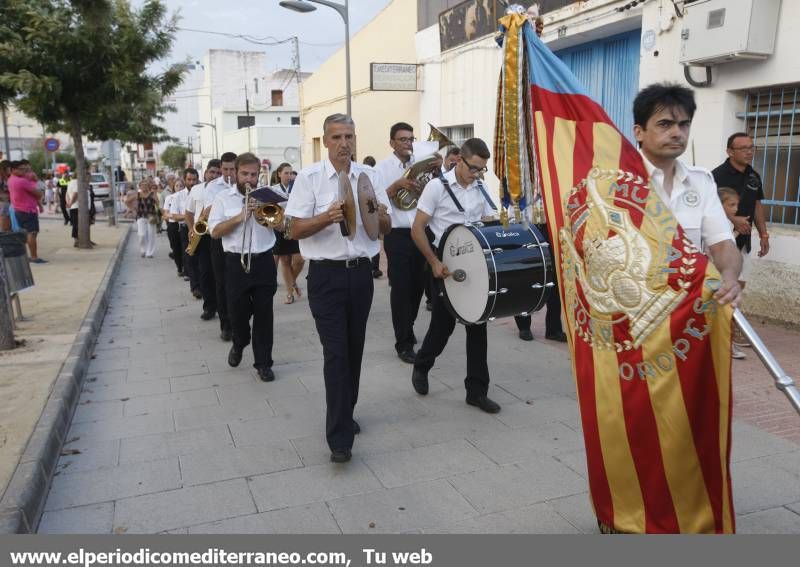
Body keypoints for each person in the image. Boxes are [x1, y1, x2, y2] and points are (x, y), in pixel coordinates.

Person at [285, 113, 392, 463]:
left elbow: (385, 227)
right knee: (336, 353)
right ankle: (339, 438)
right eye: (337, 137)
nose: (344, 143)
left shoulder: (370, 176)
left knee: (354, 348)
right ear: (326, 141)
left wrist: (377, 213)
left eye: (349, 136)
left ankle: (347, 409)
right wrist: (326, 217)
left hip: (361, 273)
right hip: (326, 276)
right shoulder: (310, 178)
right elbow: (293, 230)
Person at [410, 138, 501, 414]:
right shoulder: (436, 187)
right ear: (459, 160)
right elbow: (417, 228)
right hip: (446, 265)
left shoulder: (481, 188)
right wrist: (434, 262)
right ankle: (422, 365)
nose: (477, 174)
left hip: (475, 265)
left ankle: (476, 391)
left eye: (481, 170)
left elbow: (489, 221)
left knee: (478, 325)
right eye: (473, 168)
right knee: (442, 327)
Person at [633, 84, 742, 308]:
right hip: (631, 312)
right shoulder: (617, 180)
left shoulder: (701, 182)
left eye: (684, 125)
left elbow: (722, 244)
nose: (677, 133)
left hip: (686, 312)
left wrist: (730, 277)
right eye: (665, 124)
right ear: (639, 131)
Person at [208, 153, 279, 382]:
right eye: (245, 174)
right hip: (235, 263)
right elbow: (215, 231)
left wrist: (265, 212)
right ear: (236, 173)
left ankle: (263, 363)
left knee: (264, 314)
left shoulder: (268, 196)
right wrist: (241, 216)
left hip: (264, 261)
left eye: (254, 174)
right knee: (237, 314)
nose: (250, 179)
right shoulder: (222, 198)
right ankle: (239, 343)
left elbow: (280, 225)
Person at [375, 122, 429, 364]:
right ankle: (403, 342)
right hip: (397, 235)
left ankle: (408, 327)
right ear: (392, 143)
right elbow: (373, 200)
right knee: (401, 289)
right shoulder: (381, 168)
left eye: (411, 139)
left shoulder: (422, 165)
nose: (408, 143)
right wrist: (396, 185)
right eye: (403, 139)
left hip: (421, 232)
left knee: (418, 286)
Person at [711, 132, 769, 351]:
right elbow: (709, 207)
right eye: (743, 148)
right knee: (722, 287)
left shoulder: (754, 176)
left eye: (751, 147)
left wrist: (763, 234)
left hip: (743, 240)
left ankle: (730, 334)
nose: (749, 151)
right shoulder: (716, 175)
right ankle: (723, 337)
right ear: (730, 152)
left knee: (739, 286)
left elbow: (756, 205)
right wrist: (732, 218)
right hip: (720, 242)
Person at [189, 157, 230, 340]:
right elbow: (190, 213)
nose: (215, 175)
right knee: (206, 273)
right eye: (212, 172)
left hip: (223, 232)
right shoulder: (200, 189)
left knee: (223, 278)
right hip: (204, 233)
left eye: (218, 173)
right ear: (205, 172)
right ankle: (209, 306)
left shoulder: (231, 185)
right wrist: (192, 229)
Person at [715, 186, 747, 360]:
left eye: (737, 205)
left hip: (727, 274)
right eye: (731, 205)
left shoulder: (728, 223)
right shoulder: (712, 224)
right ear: (719, 205)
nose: (736, 209)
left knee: (729, 311)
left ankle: (729, 344)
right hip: (715, 274)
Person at [271, 162, 305, 304]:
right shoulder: (273, 189)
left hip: (294, 225)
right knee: (285, 261)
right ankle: (289, 292)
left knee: (299, 260)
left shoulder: (297, 188)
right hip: (280, 227)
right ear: (279, 174)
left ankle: (292, 282)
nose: (289, 176)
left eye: (291, 173)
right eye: (286, 173)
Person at [8, 160, 46, 263]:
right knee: (32, 233)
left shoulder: (11, 179)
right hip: (28, 210)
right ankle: (34, 257)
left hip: (19, 209)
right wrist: (35, 182)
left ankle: (27, 255)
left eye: (25, 169)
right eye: (21, 169)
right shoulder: (22, 181)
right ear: (13, 170)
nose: (24, 171)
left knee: (26, 233)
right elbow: (38, 194)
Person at [163, 183, 184, 277]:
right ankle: (179, 266)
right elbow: (165, 214)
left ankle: (186, 268)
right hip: (173, 224)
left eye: (181, 186)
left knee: (185, 247)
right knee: (175, 247)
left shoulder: (186, 196)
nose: (179, 188)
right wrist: (174, 216)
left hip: (184, 224)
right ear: (173, 187)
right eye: (177, 186)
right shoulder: (169, 198)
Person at [135, 178, 159, 258]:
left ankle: (149, 253)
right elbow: (127, 201)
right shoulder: (137, 194)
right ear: (140, 186)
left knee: (151, 235)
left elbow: (158, 204)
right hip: (140, 216)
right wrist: (132, 210)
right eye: (142, 185)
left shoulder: (152, 194)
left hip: (151, 216)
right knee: (141, 235)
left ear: (148, 186)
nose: (144, 186)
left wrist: (155, 194)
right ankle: (143, 250)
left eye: (145, 185)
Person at [0, 160, 11, 232]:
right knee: (5, 224)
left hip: (7, 202)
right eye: (10, 168)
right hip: (4, 202)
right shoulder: (1, 178)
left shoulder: (7, 177)